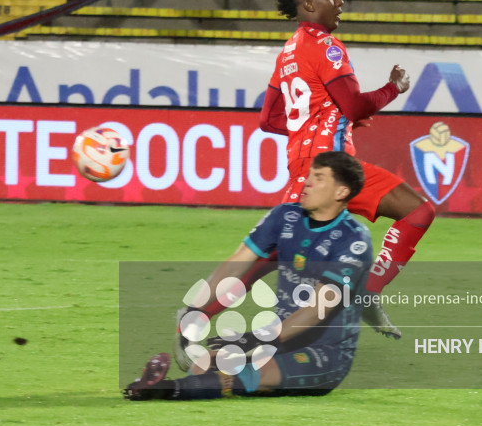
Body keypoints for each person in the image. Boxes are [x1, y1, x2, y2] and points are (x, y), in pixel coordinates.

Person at [258, 0, 436, 338]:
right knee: (416, 214)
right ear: (310, 4)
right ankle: (363, 295)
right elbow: (354, 103)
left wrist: (328, 119)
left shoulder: (288, 52)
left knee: (269, 256)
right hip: (330, 169)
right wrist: (395, 88)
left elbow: (270, 120)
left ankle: (203, 312)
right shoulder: (327, 46)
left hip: (319, 167)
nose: (340, 3)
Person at [125, 151, 373, 400]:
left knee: (255, 373)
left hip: (326, 352)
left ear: (341, 192)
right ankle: (158, 388)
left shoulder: (354, 240)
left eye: (318, 177)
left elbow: (317, 310)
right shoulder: (285, 216)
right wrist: (195, 309)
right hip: (281, 340)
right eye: (309, 174)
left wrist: (256, 339)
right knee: (206, 362)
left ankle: (162, 390)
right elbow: (235, 264)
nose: (307, 181)